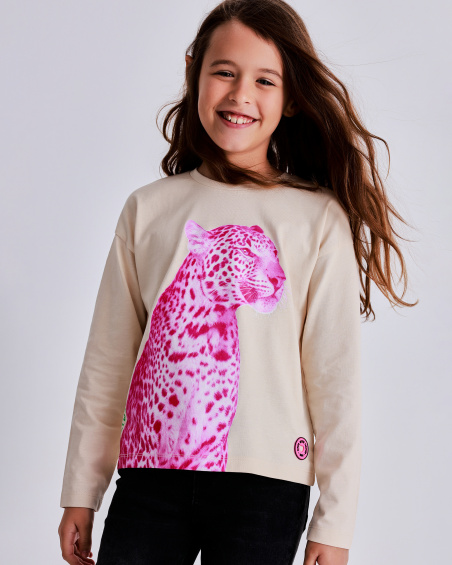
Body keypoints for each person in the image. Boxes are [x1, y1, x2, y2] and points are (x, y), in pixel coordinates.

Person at [57, 1, 417, 564]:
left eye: (264, 80)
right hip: (151, 477)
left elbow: (335, 380)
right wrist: (82, 489)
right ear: (193, 72)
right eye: (224, 71)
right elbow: (107, 361)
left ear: (291, 98)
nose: (240, 94)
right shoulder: (148, 210)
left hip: (267, 487)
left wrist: (335, 522)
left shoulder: (317, 218)